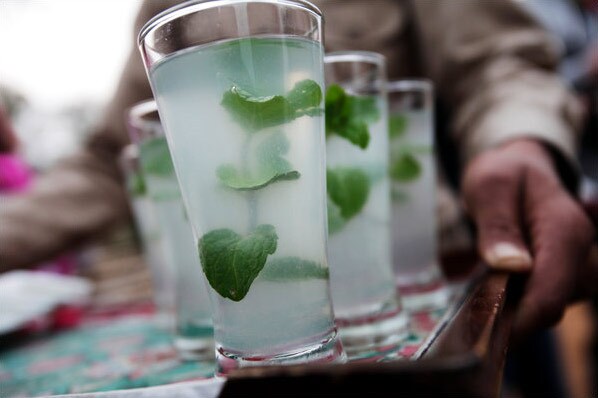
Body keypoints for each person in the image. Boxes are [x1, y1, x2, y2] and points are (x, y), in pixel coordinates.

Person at [0, 0, 595, 346]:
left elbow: (497, 62)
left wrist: (519, 141)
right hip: (265, 324)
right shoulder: (167, 15)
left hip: (429, 279)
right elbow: (112, 156)